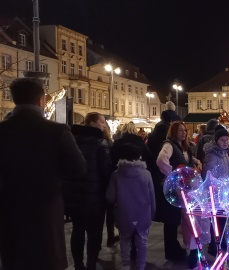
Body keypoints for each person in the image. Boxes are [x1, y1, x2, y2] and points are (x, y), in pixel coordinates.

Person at [0, 78, 86, 270]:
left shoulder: (2, 131)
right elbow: (78, 169)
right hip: (46, 213)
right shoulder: (57, 131)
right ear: (41, 101)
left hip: (10, 212)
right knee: (47, 259)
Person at [66, 112, 113, 270]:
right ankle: (91, 263)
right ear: (92, 123)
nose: (104, 125)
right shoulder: (100, 142)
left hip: (75, 194)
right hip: (96, 195)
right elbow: (106, 170)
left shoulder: (72, 140)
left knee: (77, 230)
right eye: (101, 122)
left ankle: (79, 264)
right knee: (95, 232)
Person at [156, 121, 205, 268]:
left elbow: (188, 160)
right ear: (174, 132)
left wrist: (196, 163)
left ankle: (185, 249)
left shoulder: (184, 146)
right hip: (176, 190)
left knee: (185, 220)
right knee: (175, 221)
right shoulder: (169, 145)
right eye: (180, 131)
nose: (183, 133)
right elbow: (161, 160)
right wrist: (173, 176)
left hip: (185, 190)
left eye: (184, 130)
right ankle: (177, 251)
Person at [106, 143, 156, 270]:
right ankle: (141, 266)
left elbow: (110, 197)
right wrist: (152, 212)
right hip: (143, 214)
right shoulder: (146, 174)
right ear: (139, 157)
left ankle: (125, 265)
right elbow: (152, 196)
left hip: (124, 214)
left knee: (124, 241)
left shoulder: (116, 175)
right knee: (142, 242)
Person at [202, 126, 229, 255]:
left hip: (224, 191)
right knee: (215, 220)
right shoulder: (212, 156)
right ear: (216, 140)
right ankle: (214, 244)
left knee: (223, 218)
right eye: (222, 140)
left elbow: (227, 170)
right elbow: (208, 175)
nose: (225, 142)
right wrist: (217, 186)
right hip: (214, 193)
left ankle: (221, 239)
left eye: (226, 139)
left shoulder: (225, 153)